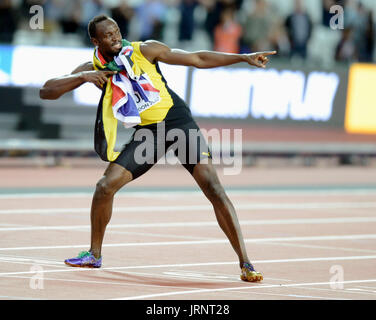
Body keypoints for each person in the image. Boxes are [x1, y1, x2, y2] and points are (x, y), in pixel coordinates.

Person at [39, 15, 276, 282]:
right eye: (108, 35)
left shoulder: (145, 49)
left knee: (213, 188)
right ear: (95, 41)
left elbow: (197, 59)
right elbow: (46, 91)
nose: (115, 37)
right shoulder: (92, 66)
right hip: (149, 133)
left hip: (177, 123)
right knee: (105, 186)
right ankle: (94, 255)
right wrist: (83, 77)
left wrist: (243, 58)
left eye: (117, 31)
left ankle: (246, 263)